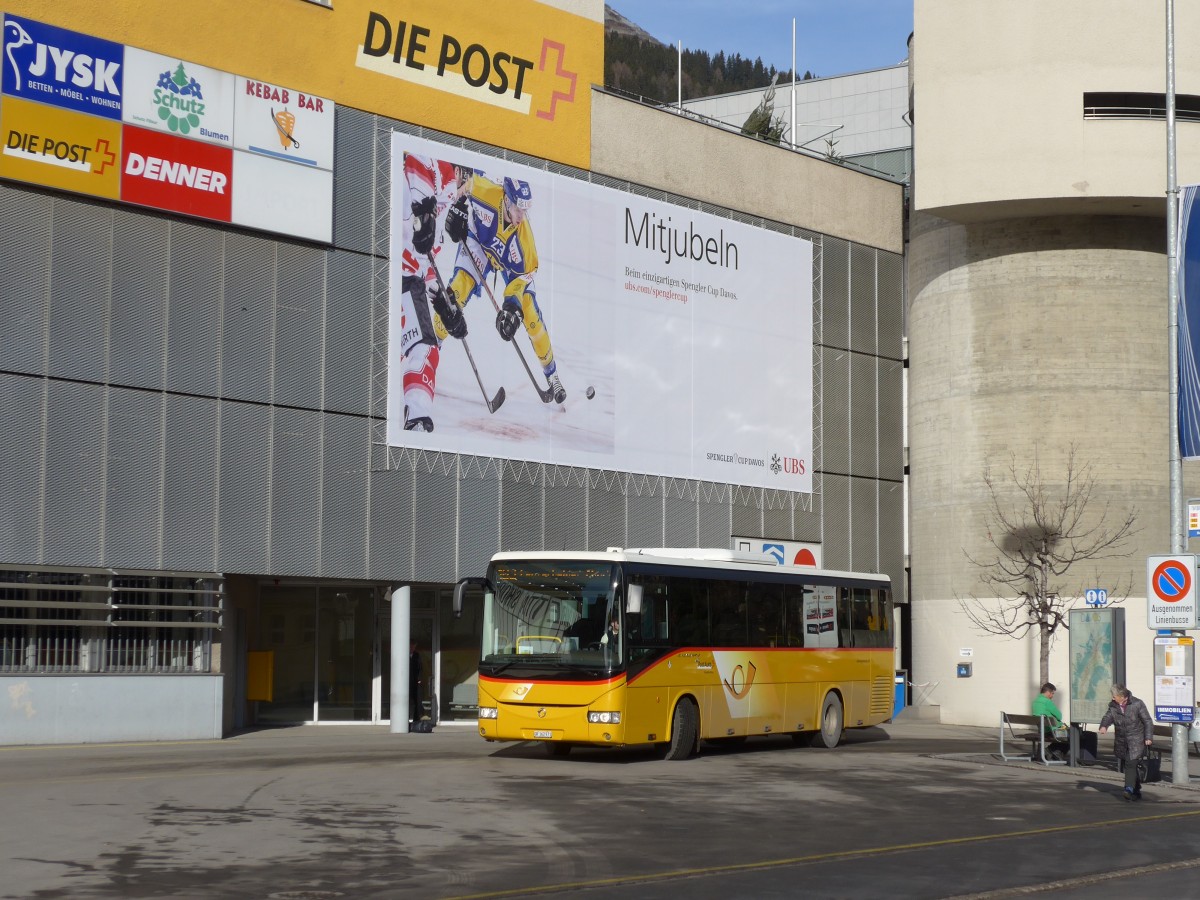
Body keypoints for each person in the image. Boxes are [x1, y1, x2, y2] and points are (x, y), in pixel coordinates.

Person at [440, 170, 567, 404]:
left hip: (509, 264)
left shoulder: (525, 244)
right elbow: (465, 184)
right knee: (456, 293)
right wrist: (457, 208)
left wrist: (511, 308)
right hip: (479, 242)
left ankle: (552, 375)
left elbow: (522, 279)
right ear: (506, 199)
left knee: (530, 314)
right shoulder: (486, 191)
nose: (521, 215)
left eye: (525, 210)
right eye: (518, 208)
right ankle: (429, 349)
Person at [397, 152, 468, 433]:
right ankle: (416, 416)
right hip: (392, 271)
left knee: (426, 348)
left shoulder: (444, 203)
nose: (466, 192)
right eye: (468, 184)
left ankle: (417, 417)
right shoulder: (445, 172)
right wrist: (422, 208)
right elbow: (419, 160)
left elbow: (425, 262)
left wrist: (442, 302)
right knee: (424, 347)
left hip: (406, 281)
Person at [1099, 684, 1153, 800]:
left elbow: (1147, 721)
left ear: (1122, 696)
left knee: (1130, 763)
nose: (1113, 698)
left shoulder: (1137, 704)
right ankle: (1136, 788)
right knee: (1127, 765)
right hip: (1122, 740)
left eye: (1114, 696)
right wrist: (1104, 726)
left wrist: (1148, 737)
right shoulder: (1113, 705)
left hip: (1136, 739)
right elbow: (1108, 717)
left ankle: (1128, 789)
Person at [1031, 682, 1068, 760]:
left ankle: (1053, 752)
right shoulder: (1047, 702)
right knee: (1072, 735)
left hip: (1043, 730)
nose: (1052, 696)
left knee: (1067, 734)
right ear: (1048, 692)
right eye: (1052, 693)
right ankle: (1053, 751)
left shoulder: (1035, 701)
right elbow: (1059, 716)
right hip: (1053, 730)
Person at [409, 639, 423, 723]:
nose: (412, 648)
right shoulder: (402, 654)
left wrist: (419, 679)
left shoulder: (417, 655)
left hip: (415, 681)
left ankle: (416, 719)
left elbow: (420, 668)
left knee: (416, 700)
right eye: (411, 646)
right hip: (406, 681)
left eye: (414, 646)